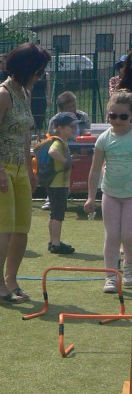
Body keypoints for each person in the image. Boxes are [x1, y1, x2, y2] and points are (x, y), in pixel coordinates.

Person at [0, 42, 51, 304]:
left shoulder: (24, 93)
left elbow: (25, 134)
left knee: (21, 228)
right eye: (39, 71)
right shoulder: (2, 93)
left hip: (20, 167)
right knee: (4, 228)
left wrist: (31, 169)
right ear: (26, 68)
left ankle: (11, 281)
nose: (40, 76)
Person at [85, 90, 132, 293]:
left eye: (123, 116)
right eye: (113, 116)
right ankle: (111, 276)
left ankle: (128, 268)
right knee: (112, 235)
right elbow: (95, 170)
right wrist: (90, 197)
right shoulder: (103, 139)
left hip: (131, 196)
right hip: (110, 194)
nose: (117, 120)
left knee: (128, 235)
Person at [43, 112, 77, 255]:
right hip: (58, 185)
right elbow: (52, 151)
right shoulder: (58, 142)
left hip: (55, 184)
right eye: (71, 126)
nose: (74, 129)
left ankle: (53, 241)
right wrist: (65, 161)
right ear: (60, 128)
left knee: (54, 214)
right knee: (58, 215)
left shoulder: (61, 141)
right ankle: (56, 243)